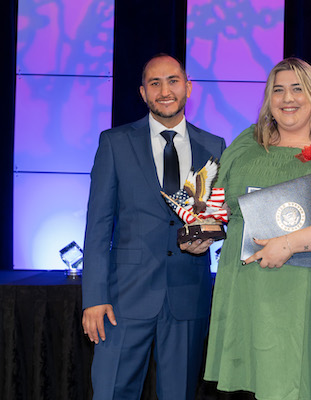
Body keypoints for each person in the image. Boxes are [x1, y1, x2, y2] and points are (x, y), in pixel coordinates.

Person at [202, 58, 311, 400]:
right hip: (250, 294)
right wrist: (201, 233)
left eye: (298, 89)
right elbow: (219, 211)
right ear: (269, 100)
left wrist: (288, 244)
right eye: (278, 90)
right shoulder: (245, 146)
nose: (288, 98)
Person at [81, 54, 226, 400]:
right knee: (111, 392)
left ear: (188, 87)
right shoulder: (114, 143)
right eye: (155, 83)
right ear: (143, 93)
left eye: (173, 81)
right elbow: (97, 226)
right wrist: (94, 297)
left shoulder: (214, 146)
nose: (165, 90)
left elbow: (217, 215)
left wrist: (209, 236)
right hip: (123, 298)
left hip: (187, 295)